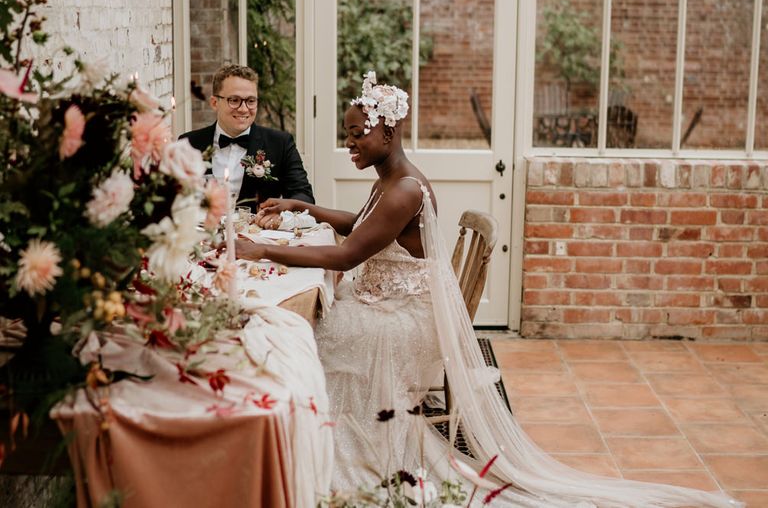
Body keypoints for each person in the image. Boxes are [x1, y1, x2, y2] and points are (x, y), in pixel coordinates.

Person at [235, 71, 741, 508]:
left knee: (308, 333)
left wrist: (260, 252)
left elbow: (347, 255)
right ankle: (312, 442)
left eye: (356, 135)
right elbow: (362, 224)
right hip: (387, 302)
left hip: (405, 321)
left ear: (387, 131)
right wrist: (306, 209)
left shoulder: (405, 187)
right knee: (307, 322)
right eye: (348, 135)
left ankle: (322, 452)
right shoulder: (390, 179)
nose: (349, 144)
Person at [180, 64, 314, 209]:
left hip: (259, 230)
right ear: (214, 103)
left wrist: (280, 211)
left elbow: (304, 196)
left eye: (250, 101)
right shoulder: (188, 144)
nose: (244, 109)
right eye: (234, 100)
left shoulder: (280, 143)